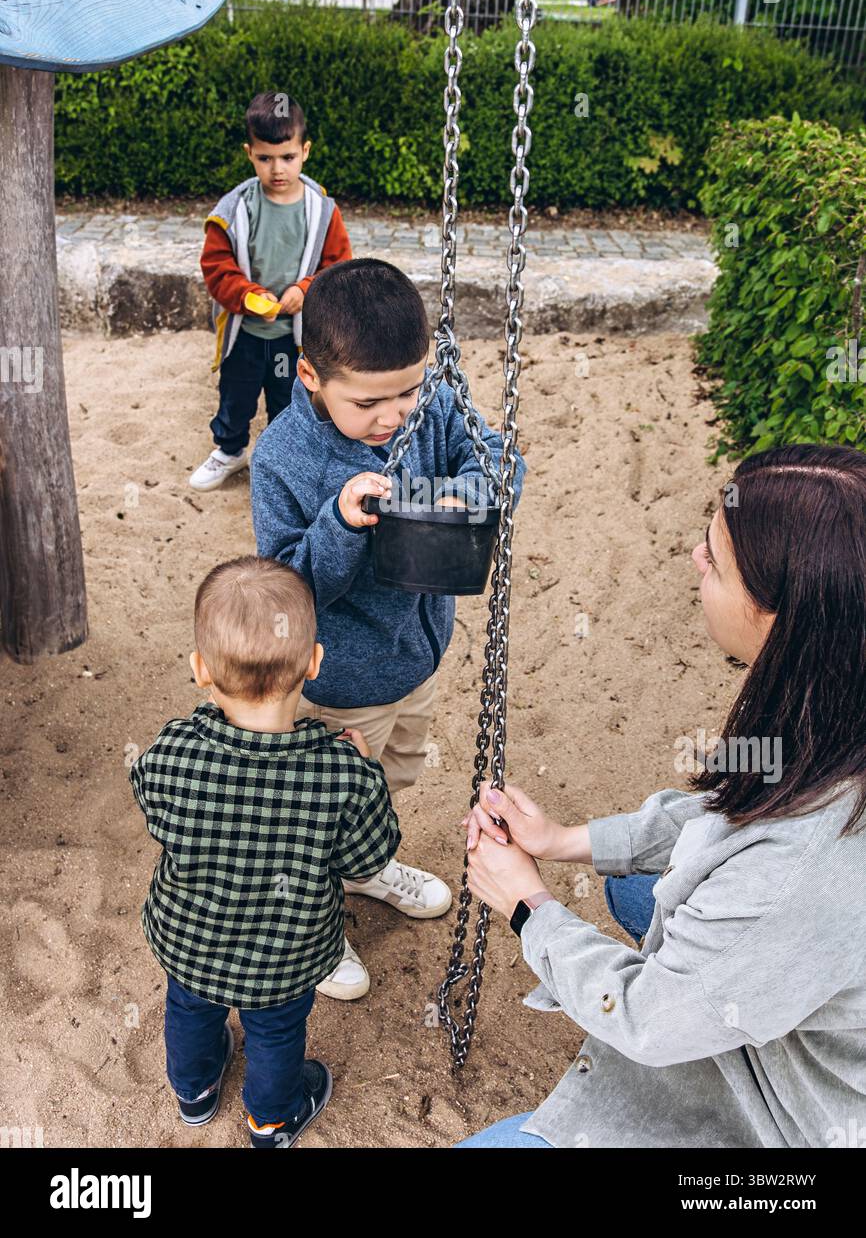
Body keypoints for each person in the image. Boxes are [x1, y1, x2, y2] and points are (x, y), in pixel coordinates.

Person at [458, 443, 866, 1148]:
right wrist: (564, 843)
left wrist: (531, 908)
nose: (695, 560)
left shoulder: (804, 865)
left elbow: (651, 1020)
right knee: (637, 882)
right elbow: (729, 817)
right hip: (792, 972)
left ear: (776, 616)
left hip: (785, 1120)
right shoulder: (833, 701)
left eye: (715, 557)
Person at [251, 257, 526, 1000]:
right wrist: (340, 522)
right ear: (310, 377)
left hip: (418, 658)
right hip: (341, 681)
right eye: (372, 401)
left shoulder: (430, 402)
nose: (396, 413)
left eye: (408, 388)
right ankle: (312, 923)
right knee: (324, 806)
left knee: (389, 781)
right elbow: (284, 591)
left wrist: (459, 493)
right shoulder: (284, 459)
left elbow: (495, 455)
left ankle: (367, 868)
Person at [128, 556, 399, 1148]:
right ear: (314, 663)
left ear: (201, 670)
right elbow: (367, 860)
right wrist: (364, 771)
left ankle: (194, 1092)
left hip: (190, 941)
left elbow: (152, 806)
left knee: (189, 1012)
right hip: (287, 954)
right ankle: (270, 1120)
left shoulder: (172, 752)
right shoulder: (341, 777)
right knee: (276, 1033)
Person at [191, 92, 352, 491]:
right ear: (249, 154)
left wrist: (307, 289)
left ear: (305, 151)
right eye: (265, 158)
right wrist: (246, 296)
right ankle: (230, 451)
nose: (277, 169)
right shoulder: (234, 209)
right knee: (236, 396)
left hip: (291, 338)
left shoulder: (322, 210)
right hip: (245, 335)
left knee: (287, 398)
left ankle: (284, 460)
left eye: (287, 157)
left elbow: (338, 265)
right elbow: (215, 267)